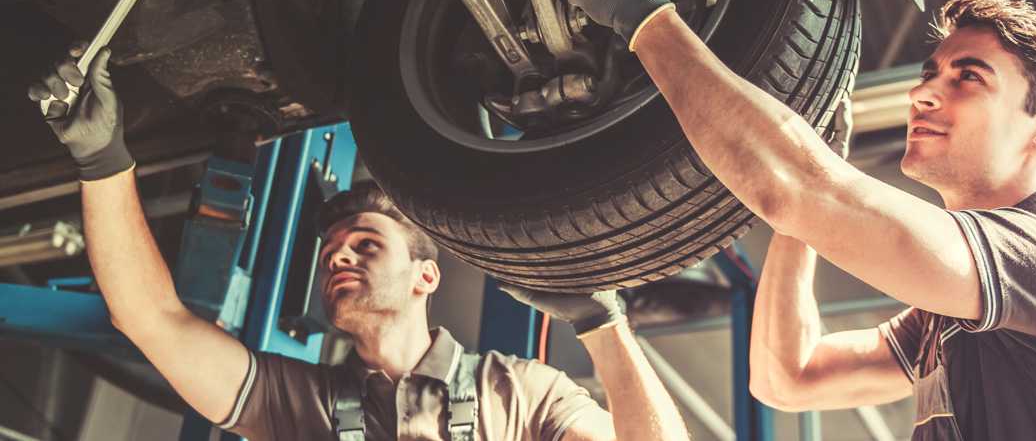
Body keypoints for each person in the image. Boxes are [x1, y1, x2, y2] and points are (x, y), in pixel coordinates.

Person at [553, 0, 1036, 439]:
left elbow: (793, 187)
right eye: (931, 72)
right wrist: (810, 213)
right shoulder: (953, 317)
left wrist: (642, 16)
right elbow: (788, 375)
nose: (922, 92)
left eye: (968, 77)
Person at [26, 47, 690, 441]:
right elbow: (153, 321)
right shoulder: (296, 403)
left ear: (425, 275)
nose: (337, 254)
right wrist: (103, 161)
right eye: (331, 247)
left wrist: (604, 321)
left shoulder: (522, 394)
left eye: (365, 243)